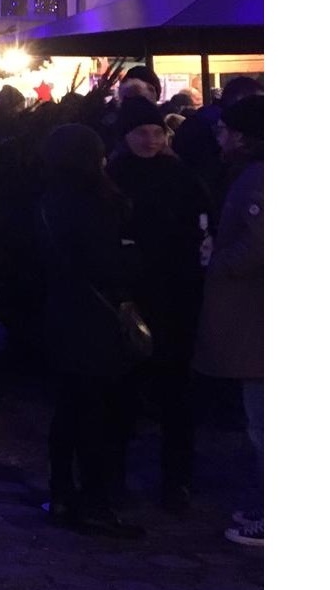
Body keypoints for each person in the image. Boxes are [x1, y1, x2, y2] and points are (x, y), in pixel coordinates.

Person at [37, 123, 144, 539]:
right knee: (97, 412)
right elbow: (108, 263)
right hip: (96, 318)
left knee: (69, 409)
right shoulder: (97, 201)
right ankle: (95, 501)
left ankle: (62, 492)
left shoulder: (50, 198)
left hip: (62, 313)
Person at [105, 95, 209, 512]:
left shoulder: (181, 176)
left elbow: (199, 224)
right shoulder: (114, 177)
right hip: (132, 297)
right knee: (123, 390)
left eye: (156, 132)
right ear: (126, 136)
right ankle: (114, 476)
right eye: (141, 133)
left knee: (175, 392)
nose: (150, 140)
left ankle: (177, 480)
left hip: (176, 295)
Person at [194, 95, 263, 549]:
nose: (219, 137)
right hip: (254, 312)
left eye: (224, 130)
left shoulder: (257, 178)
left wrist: (216, 262)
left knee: (264, 420)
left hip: (255, 313)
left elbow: (258, 244)